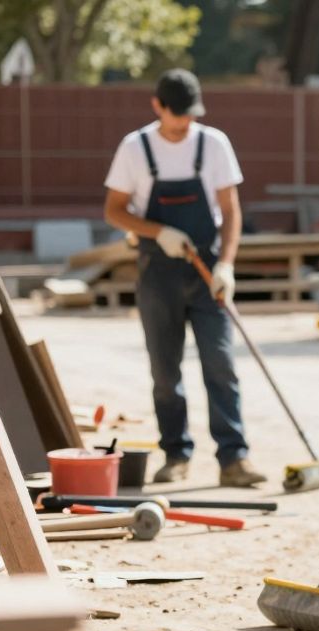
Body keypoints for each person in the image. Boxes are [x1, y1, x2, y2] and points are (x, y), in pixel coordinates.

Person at [102, 69, 266, 488]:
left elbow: (231, 212)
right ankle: (176, 454)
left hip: (206, 269)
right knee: (165, 371)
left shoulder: (214, 144)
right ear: (158, 106)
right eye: (177, 115)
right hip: (158, 272)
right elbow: (114, 210)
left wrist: (226, 266)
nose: (185, 123)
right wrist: (159, 232)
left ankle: (234, 458)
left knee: (221, 363)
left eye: (191, 115)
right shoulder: (135, 148)